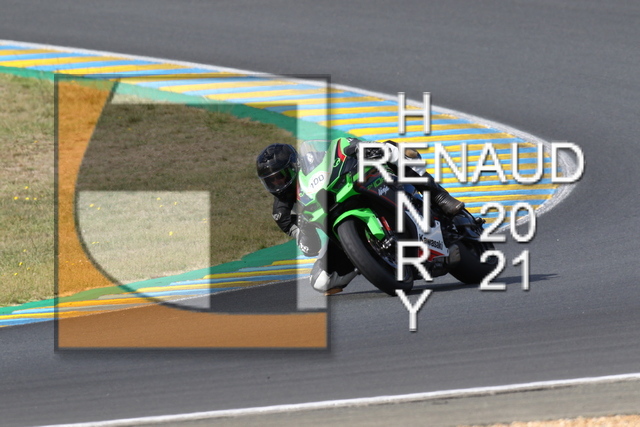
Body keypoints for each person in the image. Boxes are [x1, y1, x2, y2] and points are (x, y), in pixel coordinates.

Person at [256, 138, 465, 295]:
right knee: (320, 282)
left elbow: (340, 149)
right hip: (338, 236)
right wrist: (304, 232)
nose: (276, 185)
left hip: (345, 191)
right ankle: (367, 258)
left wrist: (356, 148)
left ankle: (439, 196)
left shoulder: (311, 159)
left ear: (294, 167)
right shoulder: (282, 212)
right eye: (270, 181)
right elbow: (309, 248)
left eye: (279, 177)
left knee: (390, 149)